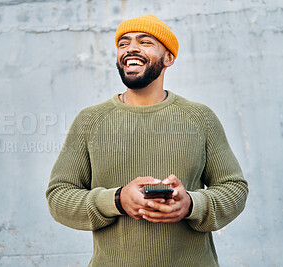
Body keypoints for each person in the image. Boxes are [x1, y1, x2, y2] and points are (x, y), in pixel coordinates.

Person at [46, 14, 248, 267]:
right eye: (123, 43)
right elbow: (58, 197)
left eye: (145, 42)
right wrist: (118, 200)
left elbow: (234, 188)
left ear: (169, 58)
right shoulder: (90, 120)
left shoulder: (200, 117)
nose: (131, 47)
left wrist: (191, 205)